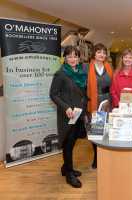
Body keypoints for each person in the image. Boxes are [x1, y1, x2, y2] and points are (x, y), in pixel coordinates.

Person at [50, 46, 87, 188]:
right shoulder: (61, 74)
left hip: (79, 113)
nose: (73, 59)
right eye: (70, 56)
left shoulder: (80, 72)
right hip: (68, 115)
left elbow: (82, 93)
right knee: (68, 143)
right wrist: (66, 108)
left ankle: (65, 168)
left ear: (79, 58)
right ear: (64, 58)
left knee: (72, 142)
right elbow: (53, 94)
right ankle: (69, 174)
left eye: (75, 56)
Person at [87, 43, 113, 169]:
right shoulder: (87, 67)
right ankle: (97, 156)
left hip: (108, 102)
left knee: (107, 129)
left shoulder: (109, 67)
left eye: (104, 52)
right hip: (94, 101)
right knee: (96, 130)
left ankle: (107, 154)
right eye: (99, 52)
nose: (102, 54)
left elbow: (113, 84)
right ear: (94, 54)